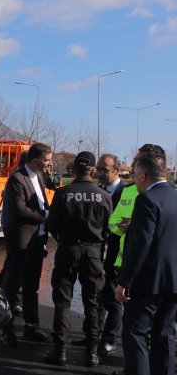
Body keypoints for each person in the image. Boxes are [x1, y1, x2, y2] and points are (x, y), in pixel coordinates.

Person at [109, 148, 177, 375]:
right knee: (165, 338)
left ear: (143, 174)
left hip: (148, 283)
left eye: (136, 174)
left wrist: (124, 281)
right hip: (173, 283)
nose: (134, 179)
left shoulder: (147, 200)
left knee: (135, 335)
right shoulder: (175, 197)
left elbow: (140, 246)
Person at [45, 151, 112, 366]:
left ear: (73, 170)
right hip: (93, 252)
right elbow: (109, 227)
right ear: (92, 171)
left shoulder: (63, 193)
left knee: (62, 301)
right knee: (92, 302)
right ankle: (92, 353)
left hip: (68, 249)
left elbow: (52, 225)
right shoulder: (104, 196)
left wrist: (63, 239)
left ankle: (60, 351)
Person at [0, 142, 53, 346]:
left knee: (32, 286)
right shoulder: (16, 178)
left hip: (37, 241)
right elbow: (20, 211)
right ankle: (7, 328)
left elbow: (41, 203)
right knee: (13, 287)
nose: (49, 164)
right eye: (47, 160)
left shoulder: (39, 177)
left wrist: (44, 237)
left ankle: (32, 326)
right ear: (34, 159)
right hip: (21, 243)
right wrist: (46, 216)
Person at [74, 153, 125, 357]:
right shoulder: (99, 191)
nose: (100, 173)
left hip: (116, 256)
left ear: (117, 171)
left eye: (105, 169)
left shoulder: (126, 193)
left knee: (113, 300)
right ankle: (92, 335)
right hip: (97, 255)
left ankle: (109, 340)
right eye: (99, 168)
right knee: (96, 297)